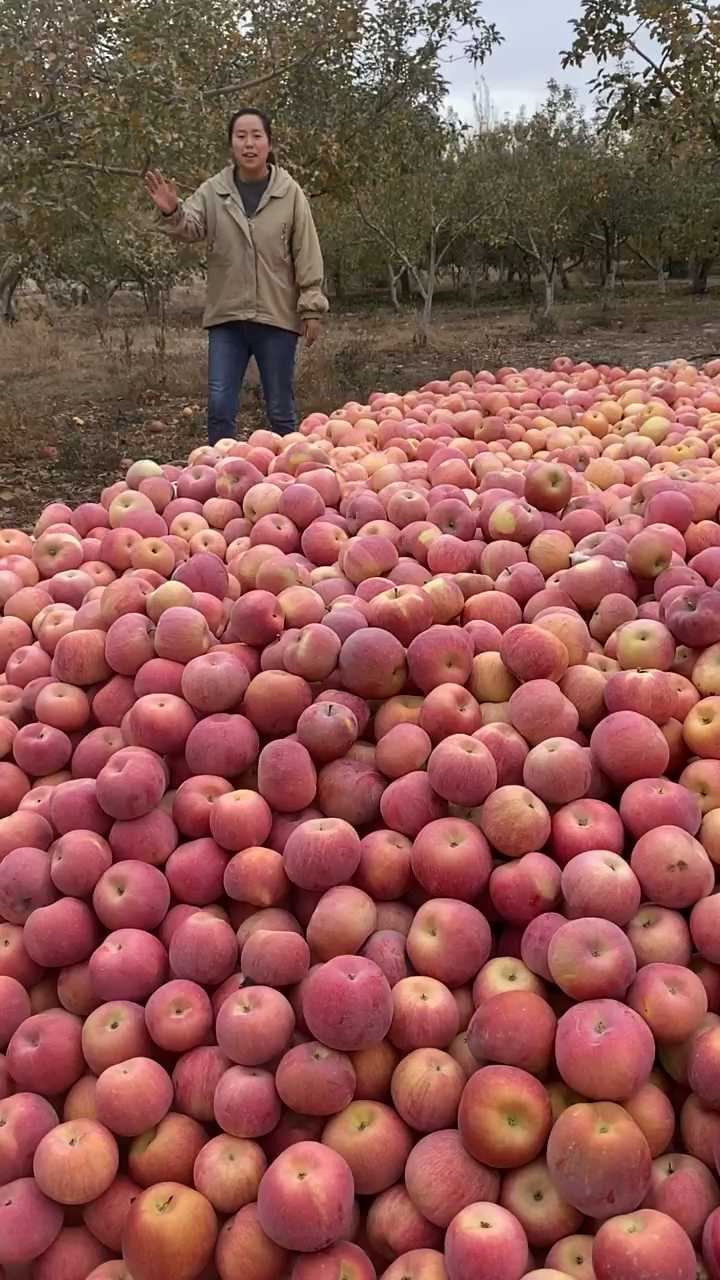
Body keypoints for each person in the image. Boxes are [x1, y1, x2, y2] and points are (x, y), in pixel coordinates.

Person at [144, 107, 328, 445]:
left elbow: (307, 252)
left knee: (280, 409)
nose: (249, 143)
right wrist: (171, 210)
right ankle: (221, 482)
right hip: (227, 318)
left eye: (256, 136)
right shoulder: (214, 191)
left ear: (269, 144)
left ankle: (295, 481)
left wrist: (311, 306)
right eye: (240, 136)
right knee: (219, 407)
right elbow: (191, 225)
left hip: (276, 317)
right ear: (231, 145)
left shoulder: (290, 193)